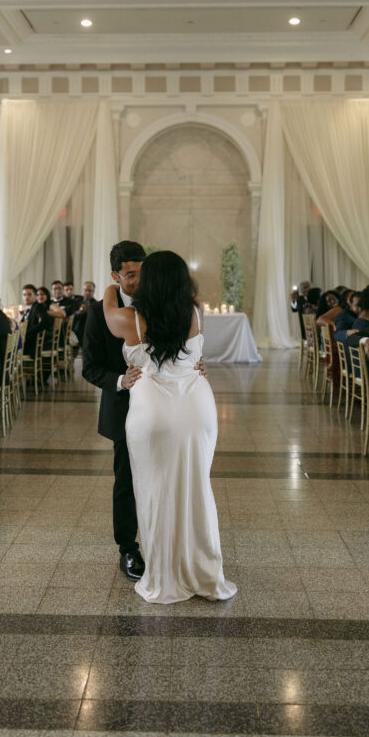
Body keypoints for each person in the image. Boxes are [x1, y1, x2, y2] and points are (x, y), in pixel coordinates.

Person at [102, 249, 236, 605]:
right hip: (197, 408)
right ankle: (202, 569)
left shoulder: (129, 319)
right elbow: (194, 356)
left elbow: (108, 315)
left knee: (155, 492)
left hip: (153, 413)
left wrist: (110, 288)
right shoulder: (196, 312)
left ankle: (164, 571)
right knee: (195, 487)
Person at [82, 242, 147, 582]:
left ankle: (160, 539)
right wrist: (121, 379)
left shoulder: (157, 303)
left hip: (161, 406)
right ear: (115, 276)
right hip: (123, 407)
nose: (138, 281)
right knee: (126, 479)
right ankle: (128, 547)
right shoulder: (98, 312)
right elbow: (90, 367)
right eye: (131, 275)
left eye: (141, 273)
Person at [72, 281, 98, 347]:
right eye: (85, 290)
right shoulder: (75, 301)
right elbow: (70, 314)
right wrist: (78, 312)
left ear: (93, 292)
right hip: (72, 330)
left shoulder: (96, 304)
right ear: (82, 290)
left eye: (90, 291)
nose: (87, 293)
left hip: (86, 331)